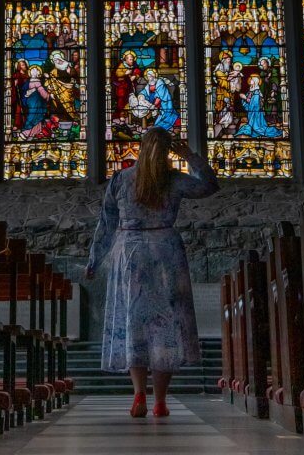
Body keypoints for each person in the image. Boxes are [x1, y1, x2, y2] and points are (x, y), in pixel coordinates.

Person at [85, 130, 219, 417]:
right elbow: (209, 186)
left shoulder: (122, 179)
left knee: (134, 321)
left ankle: (138, 395)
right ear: (169, 150)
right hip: (165, 252)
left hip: (130, 252)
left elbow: (107, 222)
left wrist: (94, 259)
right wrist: (190, 157)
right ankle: (160, 400)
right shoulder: (173, 179)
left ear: (142, 147)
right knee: (164, 325)